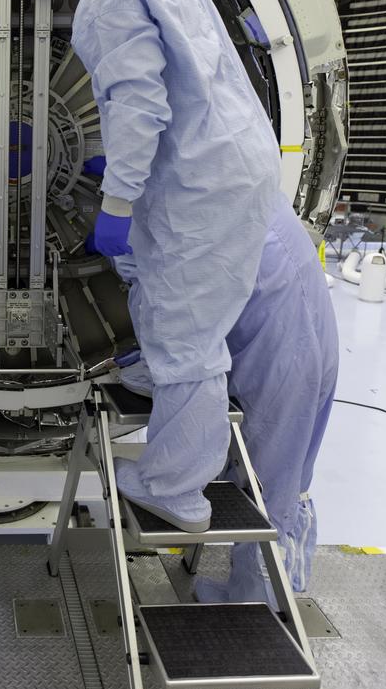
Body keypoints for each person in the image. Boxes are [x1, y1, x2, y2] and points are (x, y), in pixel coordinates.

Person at [24, 0, 281, 531]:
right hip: (220, 154)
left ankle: (175, 487)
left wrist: (115, 204)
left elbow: (136, 106)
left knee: (188, 330)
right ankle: (156, 374)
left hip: (200, 172)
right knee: (158, 274)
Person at [100, 181, 338, 603]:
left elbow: (170, 306)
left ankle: (257, 602)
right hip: (309, 328)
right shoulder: (235, 185)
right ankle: (261, 589)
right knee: (288, 474)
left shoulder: (175, 215)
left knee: (270, 482)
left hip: (279, 356)